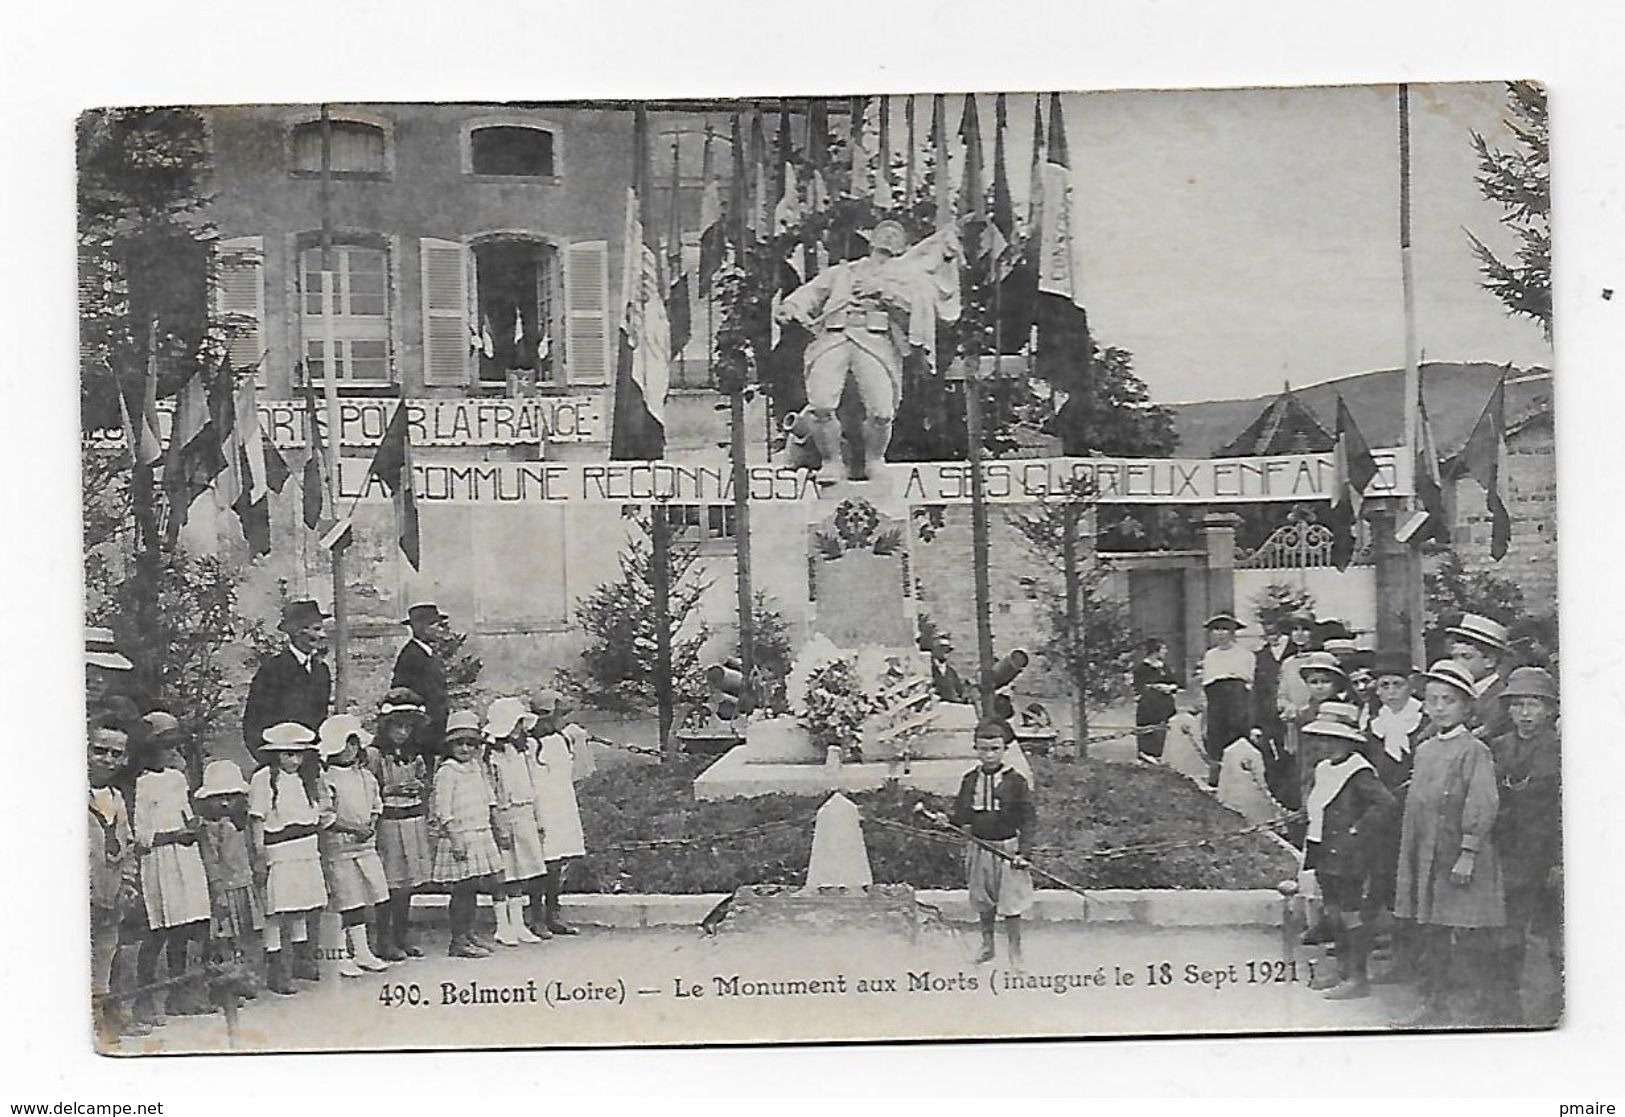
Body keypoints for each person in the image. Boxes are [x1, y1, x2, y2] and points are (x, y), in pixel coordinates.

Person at [774, 219, 958, 484]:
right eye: (884, 231)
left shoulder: (907, 278)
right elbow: (811, 293)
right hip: (834, 338)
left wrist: (883, 292)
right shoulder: (844, 272)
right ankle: (831, 462)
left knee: (882, 411)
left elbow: (919, 311)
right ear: (871, 239)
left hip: (875, 342)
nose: (889, 236)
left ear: (904, 246)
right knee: (822, 404)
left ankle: (875, 460)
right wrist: (791, 307)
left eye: (896, 233)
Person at [1394, 660, 1506, 1028]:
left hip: (1460, 858)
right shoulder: (1425, 750)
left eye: (1449, 701)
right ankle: (1434, 1002)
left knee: (1468, 933)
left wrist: (1468, 852)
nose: (1439, 707)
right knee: (1433, 931)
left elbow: (1482, 802)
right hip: (1427, 855)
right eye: (1432, 700)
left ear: (1466, 707)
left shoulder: (1474, 750)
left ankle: (1472, 1011)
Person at [1300, 702, 1396, 1000]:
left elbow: (1386, 804)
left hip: (1347, 853)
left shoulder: (1359, 771)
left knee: (1351, 912)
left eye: (1334, 739)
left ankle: (1357, 977)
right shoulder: (1324, 769)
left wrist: (1358, 829)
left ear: (1349, 741)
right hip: (1323, 847)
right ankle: (1341, 969)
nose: (1327, 745)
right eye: (1323, 739)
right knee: (1332, 911)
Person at [1487, 666, 1562, 1026]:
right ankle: (1506, 1009)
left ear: (1550, 710)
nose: (1526, 714)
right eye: (1518, 705)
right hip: (1504, 851)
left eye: (1534, 705)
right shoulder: (1499, 747)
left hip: (1544, 855)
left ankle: (1549, 1012)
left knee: (1547, 937)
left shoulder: (1562, 749)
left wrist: (1559, 862)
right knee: (1505, 931)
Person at [132, 721, 213, 1018]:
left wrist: (193, 827)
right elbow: (140, 835)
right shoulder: (141, 784)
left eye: (172, 747)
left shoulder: (178, 778)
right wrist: (172, 836)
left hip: (185, 859)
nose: (169, 753)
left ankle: (180, 996)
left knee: (184, 927)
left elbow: (186, 814)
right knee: (159, 929)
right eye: (163, 747)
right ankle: (144, 998)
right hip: (160, 861)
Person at [1361, 653, 1430, 984]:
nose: (1390, 692)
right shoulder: (1375, 723)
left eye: (1397, 685)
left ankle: (1417, 957)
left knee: (1413, 881)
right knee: (1385, 877)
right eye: (1383, 685)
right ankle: (1396, 953)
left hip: (1413, 808)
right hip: (1383, 811)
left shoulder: (1423, 719)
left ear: (1410, 685)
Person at [249, 723, 331, 996]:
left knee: (302, 906)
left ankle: (301, 960)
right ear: (276, 755)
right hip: (279, 849)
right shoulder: (263, 779)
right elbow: (258, 819)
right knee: (277, 909)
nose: (293, 760)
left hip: (305, 848)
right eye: (286, 754)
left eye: (298, 754)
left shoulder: (307, 779)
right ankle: (277, 969)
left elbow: (320, 813)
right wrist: (260, 854)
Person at [951, 720, 1037, 967]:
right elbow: (962, 815)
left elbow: (1029, 819)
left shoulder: (1015, 781)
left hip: (1008, 850)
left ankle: (1015, 952)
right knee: (983, 899)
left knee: (1010, 903)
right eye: (983, 749)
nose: (988, 755)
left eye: (994, 749)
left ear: (1004, 749)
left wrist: (1025, 852)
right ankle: (987, 945)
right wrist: (946, 820)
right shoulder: (970, 780)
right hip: (979, 847)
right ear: (975, 749)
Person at [317, 714, 395, 978]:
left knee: (362, 898)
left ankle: (362, 950)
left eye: (353, 744)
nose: (349, 749)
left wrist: (370, 824)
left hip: (364, 846)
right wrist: (352, 828)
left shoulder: (365, 777)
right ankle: (340, 953)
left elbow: (376, 804)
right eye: (344, 744)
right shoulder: (326, 778)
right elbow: (325, 815)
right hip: (339, 848)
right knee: (343, 899)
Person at [88, 721, 148, 1040]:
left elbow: (126, 844)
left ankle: (105, 1017)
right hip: (84, 892)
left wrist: (128, 883)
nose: (108, 759)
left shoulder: (116, 797)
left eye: (116, 754)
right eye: (100, 751)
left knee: (106, 954)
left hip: (111, 894)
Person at [367, 688, 434, 961]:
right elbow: (369, 789)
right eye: (397, 726)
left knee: (407, 883)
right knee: (389, 882)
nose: (403, 732)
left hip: (412, 820)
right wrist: (393, 788)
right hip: (389, 822)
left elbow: (424, 782)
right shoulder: (374, 755)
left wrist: (418, 787)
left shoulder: (414, 754)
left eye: (408, 727)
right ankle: (383, 938)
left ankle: (401, 934)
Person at [431, 711, 504, 959]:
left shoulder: (476, 767)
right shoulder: (447, 772)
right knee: (461, 890)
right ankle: (458, 940)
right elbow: (443, 809)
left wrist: (496, 826)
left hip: (479, 832)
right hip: (460, 835)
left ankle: (468, 931)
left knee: (473, 887)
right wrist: (455, 838)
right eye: (459, 743)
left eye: (470, 744)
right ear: (449, 746)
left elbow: (488, 797)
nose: (464, 748)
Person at [193, 759, 265, 1008]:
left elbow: (247, 854)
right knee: (221, 940)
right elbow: (211, 861)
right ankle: (219, 989)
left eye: (231, 797)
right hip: (224, 890)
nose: (224, 803)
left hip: (243, 887)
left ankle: (239, 979)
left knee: (241, 938)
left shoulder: (239, 823)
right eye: (218, 797)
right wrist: (219, 892)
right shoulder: (210, 828)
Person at [484, 698, 548, 946]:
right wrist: (496, 824)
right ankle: (503, 925)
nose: (521, 730)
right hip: (503, 815)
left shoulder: (521, 753)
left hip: (524, 814)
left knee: (522, 871)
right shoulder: (491, 756)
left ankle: (518, 923)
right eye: (517, 725)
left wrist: (538, 819)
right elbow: (490, 792)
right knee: (504, 873)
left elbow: (531, 787)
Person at [242, 600, 333, 765]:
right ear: (298, 631)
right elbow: (253, 722)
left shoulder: (321, 671)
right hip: (280, 761)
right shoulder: (272, 670)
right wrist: (268, 760)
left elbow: (321, 718)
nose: (323, 635)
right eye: (317, 629)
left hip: (311, 760)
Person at [528, 690, 588, 936]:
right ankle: (536, 917)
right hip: (541, 804)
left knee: (558, 862)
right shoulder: (531, 744)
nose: (563, 720)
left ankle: (553, 913)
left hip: (561, 803)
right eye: (560, 715)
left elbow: (574, 772)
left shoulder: (563, 740)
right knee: (541, 863)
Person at [392, 603, 451, 763]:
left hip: (435, 725)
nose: (441, 629)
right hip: (421, 729)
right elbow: (401, 692)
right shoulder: (410, 655)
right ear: (422, 627)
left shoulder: (429, 653)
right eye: (436, 625)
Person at [1198, 614, 1253, 785]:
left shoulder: (1245, 654)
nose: (1220, 634)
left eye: (1224, 629)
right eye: (1216, 629)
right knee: (1215, 738)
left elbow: (1248, 682)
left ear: (1232, 632)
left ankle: (1238, 777)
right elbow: (1207, 682)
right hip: (1215, 701)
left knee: (1237, 736)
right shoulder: (1210, 655)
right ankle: (1217, 778)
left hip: (1237, 701)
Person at [1446, 613, 1513, 740]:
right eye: (1454, 657)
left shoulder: (1502, 700)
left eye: (1466, 657)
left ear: (1490, 661)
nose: (1457, 664)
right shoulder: (1453, 693)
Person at [1132, 638, 1180, 763]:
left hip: (1166, 705)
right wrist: (1155, 687)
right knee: (1149, 730)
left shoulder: (1164, 667)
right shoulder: (1142, 668)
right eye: (1163, 649)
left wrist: (1169, 687)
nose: (1166, 652)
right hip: (1150, 706)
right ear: (1155, 651)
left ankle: (1162, 755)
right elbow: (1139, 687)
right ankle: (1147, 755)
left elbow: (1174, 683)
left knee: (1164, 731)